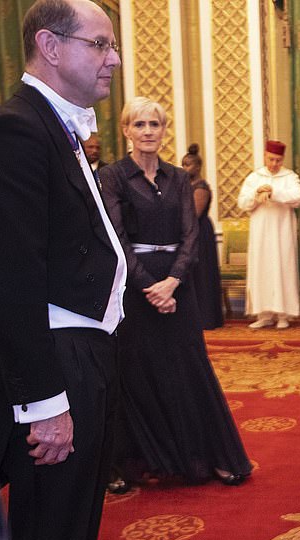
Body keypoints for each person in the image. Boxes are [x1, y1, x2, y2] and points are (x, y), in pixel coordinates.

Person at [0, 1, 126, 540]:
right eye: (100, 44)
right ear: (49, 44)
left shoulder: (54, 126)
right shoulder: (16, 128)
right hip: (54, 364)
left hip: (80, 354)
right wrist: (44, 403)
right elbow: (10, 275)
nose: (113, 59)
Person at [100, 97, 251, 489]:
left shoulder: (179, 179)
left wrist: (173, 281)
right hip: (136, 288)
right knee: (132, 373)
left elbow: (191, 234)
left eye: (155, 124)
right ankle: (124, 464)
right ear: (126, 130)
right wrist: (149, 285)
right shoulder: (113, 177)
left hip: (178, 286)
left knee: (189, 369)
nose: (148, 131)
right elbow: (117, 239)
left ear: (164, 130)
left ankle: (208, 455)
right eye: (140, 125)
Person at [237, 140, 300, 329]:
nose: (274, 163)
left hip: (282, 232)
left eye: (278, 160)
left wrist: (273, 191)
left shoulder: (289, 176)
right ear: (265, 156)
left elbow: (297, 197)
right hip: (260, 233)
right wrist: (257, 194)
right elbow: (243, 203)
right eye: (271, 159)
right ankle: (264, 314)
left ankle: (283, 315)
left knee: (283, 267)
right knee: (261, 269)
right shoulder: (254, 177)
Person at [182, 143, 225, 330]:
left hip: (200, 233)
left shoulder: (201, 187)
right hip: (190, 231)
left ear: (198, 167)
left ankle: (206, 318)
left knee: (202, 275)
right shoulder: (186, 185)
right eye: (183, 164)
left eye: (188, 165)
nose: (184, 168)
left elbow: (195, 213)